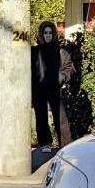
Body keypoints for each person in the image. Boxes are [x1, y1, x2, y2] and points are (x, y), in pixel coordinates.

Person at [32, 20, 76, 153]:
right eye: (45, 33)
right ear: (41, 34)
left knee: (60, 117)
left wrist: (62, 77)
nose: (48, 35)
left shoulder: (60, 51)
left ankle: (65, 144)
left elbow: (70, 69)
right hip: (38, 89)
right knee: (41, 117)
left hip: (55, 88)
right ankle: (45, 143)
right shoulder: (34, 51)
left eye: (50, 32)